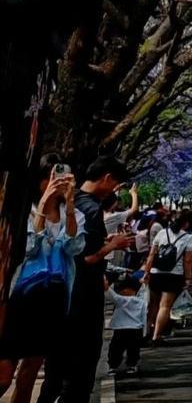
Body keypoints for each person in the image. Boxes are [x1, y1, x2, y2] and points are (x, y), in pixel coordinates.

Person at [37, 156, 133, 403]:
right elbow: (85, 257)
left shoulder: (71, 201)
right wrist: (112, 245)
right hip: (83, 298)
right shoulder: (90, 209)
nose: (114, 190)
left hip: (60, 295)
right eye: (116, 184)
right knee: (80, 372)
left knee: (55, 371)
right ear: (107, 178)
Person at [0, 157, 84, 403]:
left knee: (29, 374)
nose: (56, 182)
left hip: (52, 300)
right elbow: (26, 249)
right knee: (3, 375)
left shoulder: (75, 214)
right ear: (39, 181)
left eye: (63, 177)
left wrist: (68, 206)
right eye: (51, 177)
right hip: (17, 298)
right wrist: (45, 204)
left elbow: (75, 247)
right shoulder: (23, 211)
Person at [144, 207, 192, 344]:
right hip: (173, 275)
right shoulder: (187, 237)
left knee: (153, 304)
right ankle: (157, 336)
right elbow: (188, 260)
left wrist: (146, 272)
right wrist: (188, 278)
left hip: (156, 273)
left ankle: (147, 331)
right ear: (187, 223)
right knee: (164, 306)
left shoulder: (161, 233)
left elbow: (151, 255)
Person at [105, 274, 146, 377]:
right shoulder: (142, 302)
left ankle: (113, 366)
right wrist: (145, 331)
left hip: (120, 329)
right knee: (133, 348)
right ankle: (131, 365)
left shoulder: (120, 300)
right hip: (136, 328)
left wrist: (106, 286)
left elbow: (111, 295)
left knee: (116, 348)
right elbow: (144, 316)